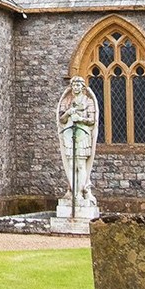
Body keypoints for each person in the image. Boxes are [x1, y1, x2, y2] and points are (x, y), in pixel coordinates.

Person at [56, 76, 99, 216]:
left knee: (81, 164)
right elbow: (60, 118)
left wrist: (81, 119)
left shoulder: (89, 101)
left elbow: (92, 120)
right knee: (71, 164)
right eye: (73, 85)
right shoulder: (67, 101)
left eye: (78, 85)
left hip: (82, 134)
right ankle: (73, 193)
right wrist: (68, 113)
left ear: (82, 87)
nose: (75, 88)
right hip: (69, 133)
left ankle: (80, 193)